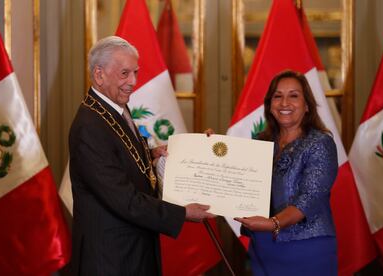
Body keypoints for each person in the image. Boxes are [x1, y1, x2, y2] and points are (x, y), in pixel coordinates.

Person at [68, 36, 214, 276]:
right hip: (111, 260)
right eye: (124, 73)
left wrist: (152, 153)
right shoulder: (89, 126)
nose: (133, 82)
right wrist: (183, 213)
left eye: (135, 72)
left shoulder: (112, 108)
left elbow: (120, 157)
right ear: (99, 75)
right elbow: (123, 199)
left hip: (132, 251)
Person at [234, 70, 338, 276]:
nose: (284, 103)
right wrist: (209, 148)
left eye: (294, 95)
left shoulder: (320, 143)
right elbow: (234, 179)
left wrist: (273, 223)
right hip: (263, 246)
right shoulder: (261, 144)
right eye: (277, 96)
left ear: (307, 105)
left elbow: (309, 198)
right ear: (269, 105)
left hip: (307, 248)